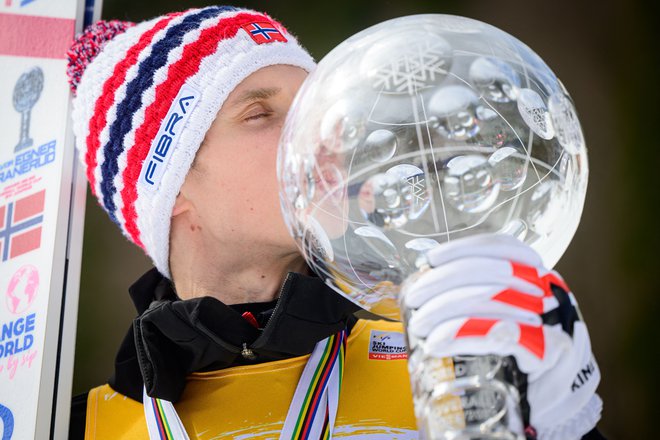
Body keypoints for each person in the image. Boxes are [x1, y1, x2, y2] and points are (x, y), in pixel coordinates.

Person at [66, 6, 605, 440]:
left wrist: (565, 427)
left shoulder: (449, 348)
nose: (319, 136)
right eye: (261, 114)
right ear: (170, 184)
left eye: (317, 108)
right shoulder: (81, 425)